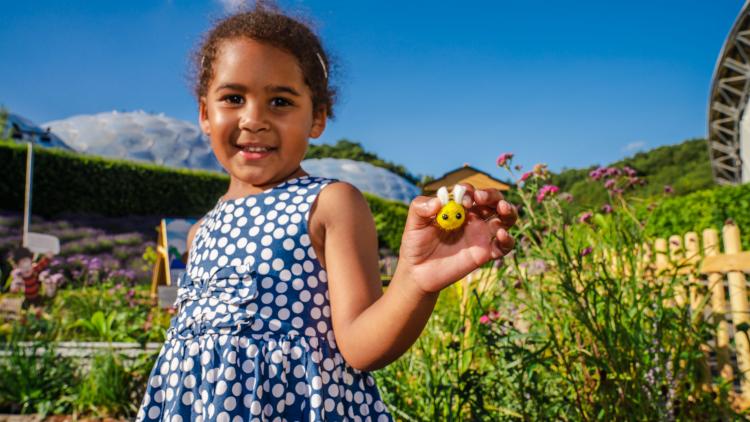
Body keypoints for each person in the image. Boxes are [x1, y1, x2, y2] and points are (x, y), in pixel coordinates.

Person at [136, 5, 517, 421]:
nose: (254, 119)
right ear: (205, 114)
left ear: (317, 118)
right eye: (232, 98)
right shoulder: (201, 232)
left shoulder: (329, 203)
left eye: (280, 101)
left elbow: (360, 348)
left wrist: (416, 279)